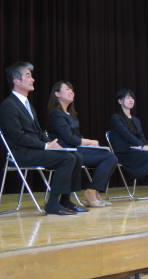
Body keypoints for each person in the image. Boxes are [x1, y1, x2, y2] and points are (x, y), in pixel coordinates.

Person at [0, 62, 85, 216]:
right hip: (22, 152)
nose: (33, 79)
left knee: (75, 156)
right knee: (67, 159)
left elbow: (38, 132)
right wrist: (45, 146)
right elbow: (18, 136)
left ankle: (65, 200)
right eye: (28, 76)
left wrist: (49, 143)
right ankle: (53, 204)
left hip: (34, 149)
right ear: (16, 81)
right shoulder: (9, 105)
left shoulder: (27, 104)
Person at [47, 80, 119, 208]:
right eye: (67, 89)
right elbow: (69, 138)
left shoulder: (71, 114)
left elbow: (77, 137)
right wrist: (90, 141)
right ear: (57, 94)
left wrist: (88, 144)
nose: (71, 92)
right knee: (109, 157)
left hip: (77, 150)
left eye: (72, 90)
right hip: (67, 152)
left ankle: (94, 191)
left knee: (109, 155)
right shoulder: (56, 114)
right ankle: (91, 192)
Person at [109, 89, 148, 201]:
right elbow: (127, 135)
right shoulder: (116, 118)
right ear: (120, 101)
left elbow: (141, 137)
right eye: (127, 97)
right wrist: (143, 147)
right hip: (125, 152)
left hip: (137, 150)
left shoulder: (136, 120)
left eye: (132, 98)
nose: (131, 100)